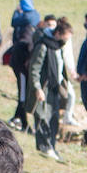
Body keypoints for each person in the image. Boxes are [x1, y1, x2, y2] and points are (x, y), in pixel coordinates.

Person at [26, 20, 74, 161]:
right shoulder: (43, 46)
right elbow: (34, 69)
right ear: (57, 33)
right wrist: (37, 88)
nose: (66, 41)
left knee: (54, 118)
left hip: (56, 87)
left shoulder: (58, 47)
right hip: (44, 88)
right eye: (65, 38)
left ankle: (52, 146)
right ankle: (44, 147)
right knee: (42, 117)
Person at [7, 0, 39, 130]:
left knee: (23, 93)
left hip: (22, 65)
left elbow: (13, 22)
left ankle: (23, 121)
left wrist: (16, 11)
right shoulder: (34, 16)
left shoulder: (25, 26)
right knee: (23, 92)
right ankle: (19, 118)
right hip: (24, 64)